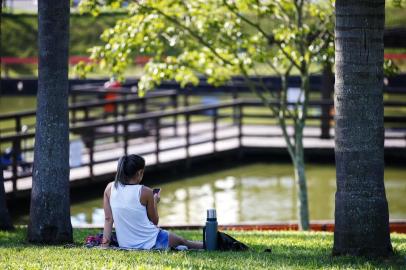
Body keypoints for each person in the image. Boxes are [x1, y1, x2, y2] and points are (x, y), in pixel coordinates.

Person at [101, 154, 203, 250]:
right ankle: (211, 246)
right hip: (152, 242)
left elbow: (108, 219)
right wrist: (155, 202)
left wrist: (104, 246)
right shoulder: (145, 191)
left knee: (180, 244)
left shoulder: (109, 188)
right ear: (139, 173)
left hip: (126, 244)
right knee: (183, 241)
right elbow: (154, 222)